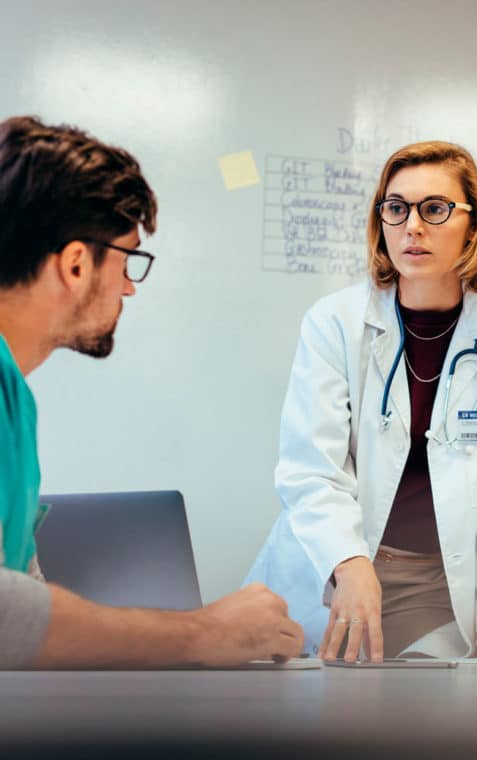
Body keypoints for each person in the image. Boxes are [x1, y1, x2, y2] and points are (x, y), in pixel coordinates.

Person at [0, 115, 303, 668]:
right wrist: (204, 633)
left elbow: (21, 595)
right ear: (74, 263)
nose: (129, 286)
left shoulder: (14, 399)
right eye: (126, 260)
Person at [246, 141, 477, 661]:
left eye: (435, 209)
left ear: (474, 224)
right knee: (295, 721)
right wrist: (348, 561)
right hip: (334, 571)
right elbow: (310, 469)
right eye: (396, 208)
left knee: (425, 726)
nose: (413, 226)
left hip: (439, 586)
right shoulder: (335, 322)